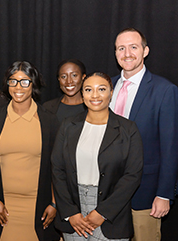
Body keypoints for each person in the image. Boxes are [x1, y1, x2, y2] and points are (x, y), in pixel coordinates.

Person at [52, 72, 143, 240]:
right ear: (82, 93)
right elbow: (57, 170)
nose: (94, 95)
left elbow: (132, 175)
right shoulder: (68, 126)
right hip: (74, 211)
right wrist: (70, 212)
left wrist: (103, 212)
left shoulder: (128, 129)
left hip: (111, 213)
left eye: (101, 89)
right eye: (88, 89)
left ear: (111, 92)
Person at [109, 28, 178, 241]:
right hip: (108, 192)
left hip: (145, 193)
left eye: (133, 47)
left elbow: (170, 147)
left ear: (145, 51)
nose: (127, 53)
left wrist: (164, 193)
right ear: (115, 53)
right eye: (121, 48)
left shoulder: (164, 90)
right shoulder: (107, 87)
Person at [0, 61, 61, 241]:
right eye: (13, 81)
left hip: (39, 206)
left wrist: (54, 203)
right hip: (3, 207)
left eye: (25, 81)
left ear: (33, 84)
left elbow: (57, 168)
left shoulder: (49, 122)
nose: (18, 87)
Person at [43, 59, 87, 123]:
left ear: (83, 77)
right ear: (59, 79)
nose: (69, 81)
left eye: (74, 75)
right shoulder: (48, 107)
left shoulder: (92, 106)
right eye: (63, 76)